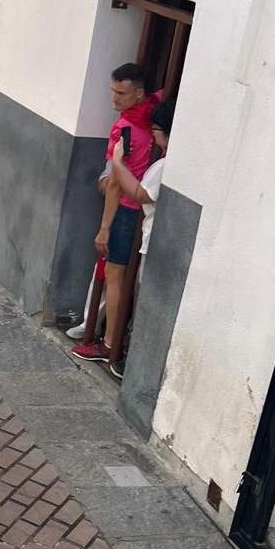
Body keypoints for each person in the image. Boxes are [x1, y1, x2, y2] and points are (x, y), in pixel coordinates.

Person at [73, 64, 162, 366]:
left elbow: (113, 183)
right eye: (112, 90)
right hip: (146, 213)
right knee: (129, 281)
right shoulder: (155, 116)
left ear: (139, 93)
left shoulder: (124, 129)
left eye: (121, 93)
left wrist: (104, 228)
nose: (114, 98)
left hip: (127, 210)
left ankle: (109, 343)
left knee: (114, 278)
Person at [91, 98, 173, 379]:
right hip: (159, 243)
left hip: (153, 244)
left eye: (156, 130)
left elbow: (139, 194)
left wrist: (117, 162)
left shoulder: (163, 165)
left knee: (143, 301)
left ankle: (128, 360)